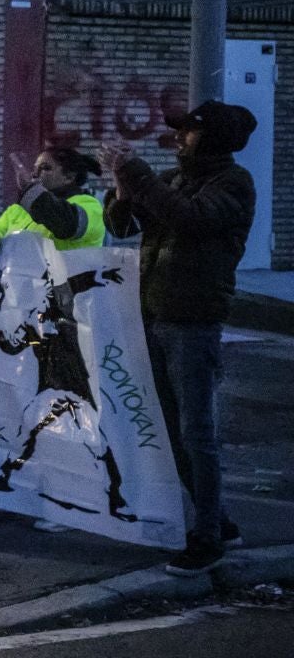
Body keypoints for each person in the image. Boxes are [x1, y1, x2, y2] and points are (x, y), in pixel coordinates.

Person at [101, 100, 257, 576]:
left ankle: (207, 536)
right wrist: (122, 187)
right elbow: (121, 226)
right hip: (154, 315)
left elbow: (192, 219)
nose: (180, 138)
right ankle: (217, 520)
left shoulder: (233, 183)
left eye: (189, 131)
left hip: (193, 321)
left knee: (196, 434)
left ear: (212, 138)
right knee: (172, 431)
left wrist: (139, 174)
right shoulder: (172, 180)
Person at [0, 147, 104, 267]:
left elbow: (65, 223)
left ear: (69, 177)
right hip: (21, 300)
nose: (35, 174)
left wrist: (30, 189)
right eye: (35, 168)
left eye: (45, 168)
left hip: (69, 299)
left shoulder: (90, 206)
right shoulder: (18, 211)